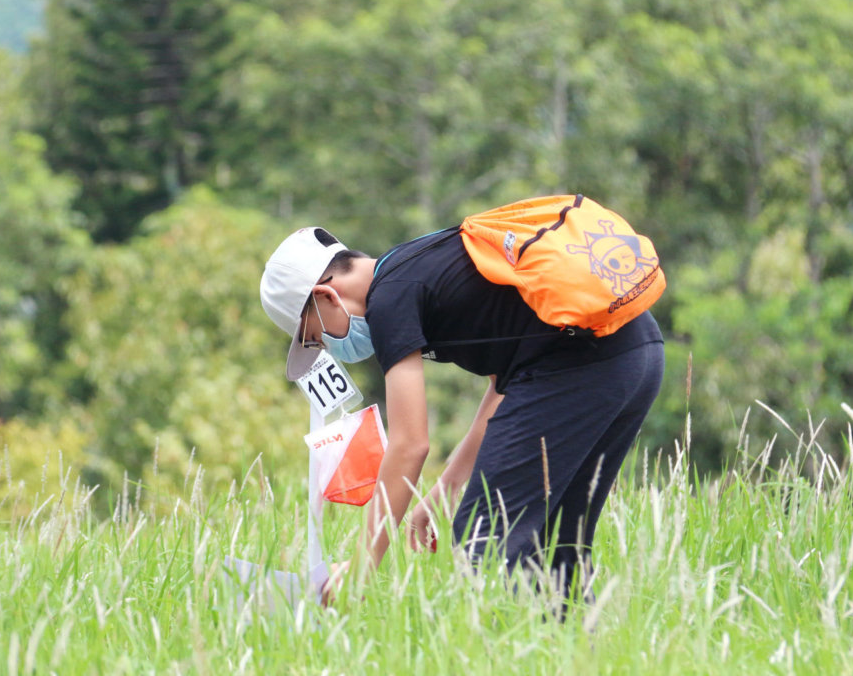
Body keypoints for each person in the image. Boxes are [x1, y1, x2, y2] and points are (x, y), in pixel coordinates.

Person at [259, 221, 664, 604]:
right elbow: (504, 382)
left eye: (317, 336)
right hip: (634, 350)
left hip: (581, 367)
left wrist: (363, 567)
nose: (329, 347)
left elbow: (410, 444)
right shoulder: (417, 263)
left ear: (327, 296)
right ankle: (573, 651)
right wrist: (447, 487)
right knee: (555, 542)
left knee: (484, 539)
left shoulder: (389, 298)